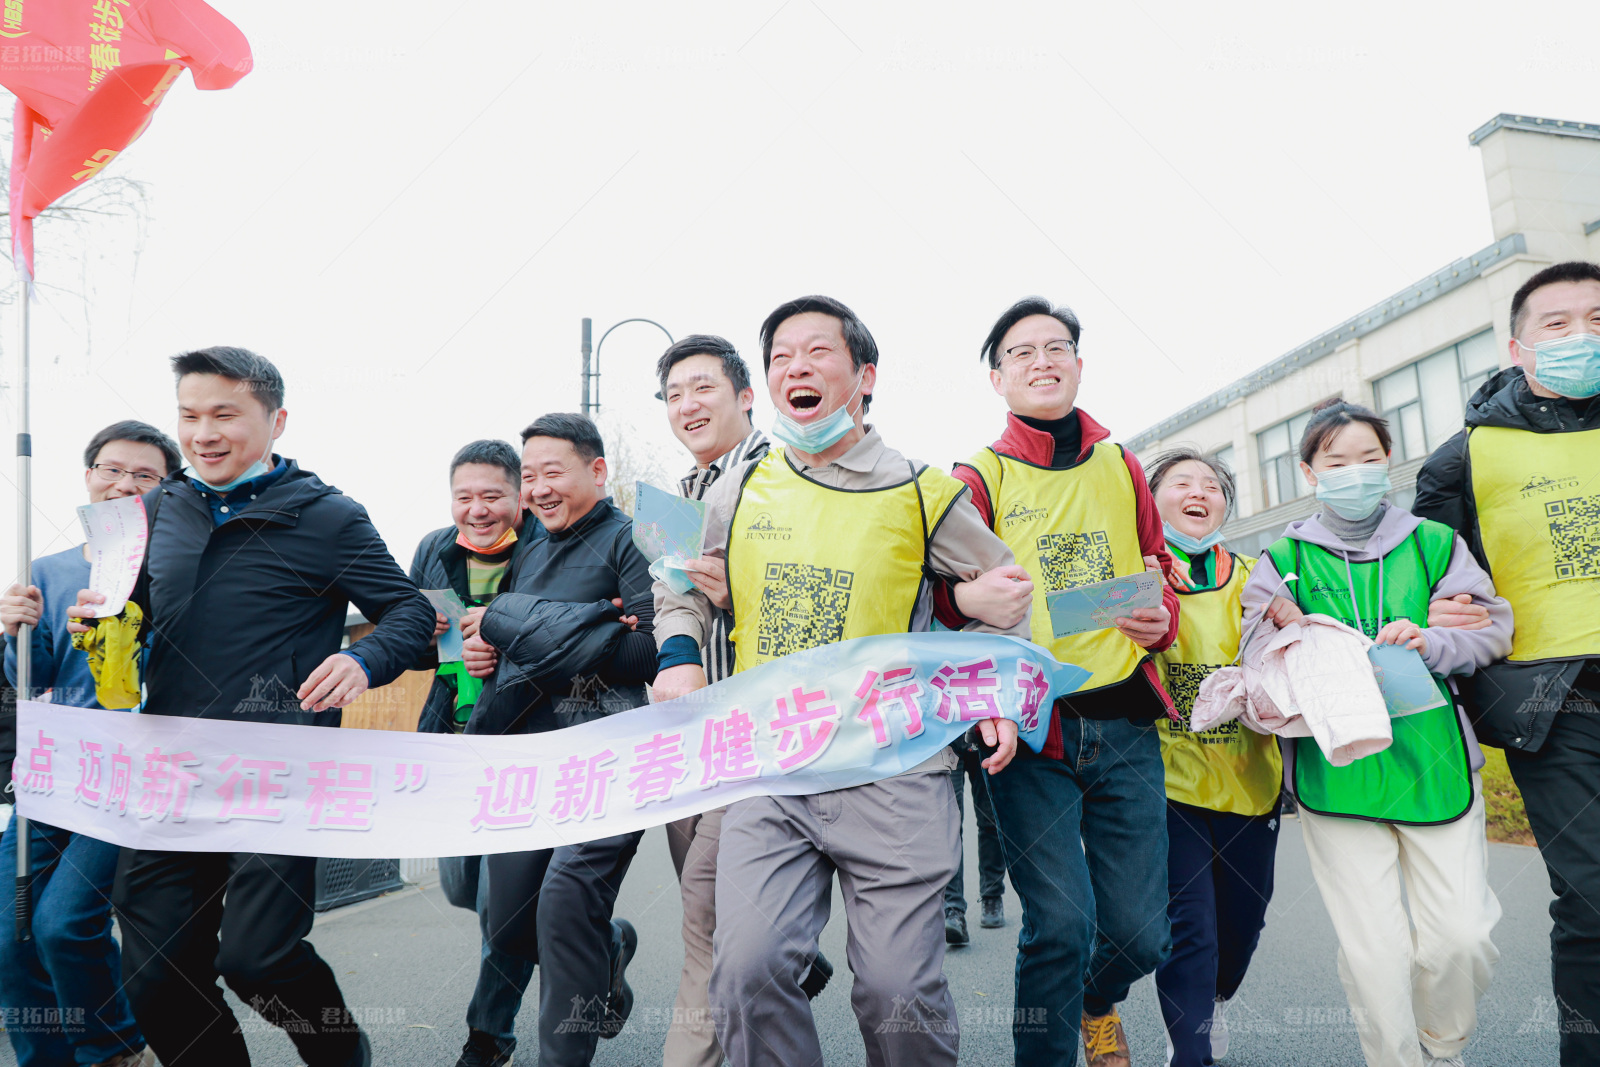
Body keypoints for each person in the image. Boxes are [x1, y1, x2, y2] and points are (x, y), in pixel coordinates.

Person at [651, 295, 1034, 1067]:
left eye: (817, 352)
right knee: (746, 970)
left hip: (892, 769)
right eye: (781, 355)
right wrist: (679, 654)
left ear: (863, 375)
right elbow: (676, 581)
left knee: (896, 992)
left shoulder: (922, 491)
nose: (797, 365)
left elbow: (1007, 585)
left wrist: (998, 691)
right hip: (772, 767)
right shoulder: (739, 485)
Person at [68, 347, 435, 1067]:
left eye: (223, 414)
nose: (203, 432)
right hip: (170, 772)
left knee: (259, 960)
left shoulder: (328, 516)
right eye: (190, 414)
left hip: (279, 770)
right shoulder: (150, 512)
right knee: (155, 974)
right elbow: (130, 614)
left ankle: (339, 1051)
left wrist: (361, 659)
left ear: (275, 420)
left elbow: (410, 615)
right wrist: (100, 622)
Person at [942, 296, 1179, 1067]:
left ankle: (1095, 1000)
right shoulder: (976, 476)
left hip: (1124, 724)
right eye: (1022, 353)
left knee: (1143, 933)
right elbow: (939, 596)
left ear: (1079, 361)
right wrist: (961, 599)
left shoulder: (1123, 463)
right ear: (996, 376)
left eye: (1057, 347)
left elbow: (1157, 570)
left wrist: (1161, 618)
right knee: (1062, 924)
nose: (1042, 361)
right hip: (1027, 731)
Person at [1242, 399, 1510, 1067]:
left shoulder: (1436, 542)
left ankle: (1442, 1046)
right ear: (1309, 471)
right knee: (1373, 951)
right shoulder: (1281, 558)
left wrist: (1433, 639)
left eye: (1369, 459)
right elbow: (1252, 656)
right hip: (1337, 767)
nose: (1356, 472)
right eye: (1338, 462)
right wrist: (1289, 635)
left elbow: (1492, 627)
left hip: (1435, 759)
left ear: (1387, 461)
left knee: (1462, 936)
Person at [1413, 259, 1600, 1066]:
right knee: (1594, 900)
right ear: (1518, 345)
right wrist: (1436, 611)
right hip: (1551, 703)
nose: (1582, 336)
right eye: (1558, 323)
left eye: (1597, 319)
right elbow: (1430, 585)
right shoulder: (1462, 460)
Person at [652, 334, 832, 1067]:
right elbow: (670, 596)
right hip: (691, 738)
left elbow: (831, 590)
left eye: (703, 388)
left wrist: (748, 595)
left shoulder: (787, 473)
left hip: (765, 738)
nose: (688, 405)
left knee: (707, 916)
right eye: (673, 395)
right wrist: (676, 645)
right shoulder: (669, 498)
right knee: (724, 920)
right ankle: (784, 960)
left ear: (745, 396)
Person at [464, 412, 655, 1067]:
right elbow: (510, 632)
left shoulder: (632, 540)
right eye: (530, 477)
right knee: (510, 926)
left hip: (601, 754)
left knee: (563, 912)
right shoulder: (529, 545)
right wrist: (489, 639)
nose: (538, 489)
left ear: (597, 471)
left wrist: (519, 625)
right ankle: (612, 948)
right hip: (522, 756)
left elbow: (643, 650)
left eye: (553, 473)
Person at [0, 420, 181, 1067]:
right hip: (54, 774)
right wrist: (15, 633)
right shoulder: (46, 569)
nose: (123, 483)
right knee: (8, 932)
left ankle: (114, 1048)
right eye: (111, 468)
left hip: (132, 774)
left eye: (144, 475)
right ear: (87, 476)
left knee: (63, 923)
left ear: (166, 490)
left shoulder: (176, 574)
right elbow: (34, 679)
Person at [1144, 448, 1281, 1067]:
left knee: (1241, 925)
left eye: (1214, 486)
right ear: (1151, 501)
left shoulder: (1262, 576)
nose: (1200, 493)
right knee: (1189, 926)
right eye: (1181, 483)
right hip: (1164, 780)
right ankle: (1189, 1045)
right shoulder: (1133, 572)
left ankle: (1215, 1000)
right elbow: (1064, 623)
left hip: (1251, 779)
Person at [409, 439, 543, 1067]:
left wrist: (506, 646)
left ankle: (488, 1037)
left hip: (523, 744)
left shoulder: (547, 547)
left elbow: (563, 637)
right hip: (453, 740)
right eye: (465, 496)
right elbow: (414, 639)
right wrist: (419, 632)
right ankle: (602, 943)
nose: (478, 509)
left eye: (492, 495)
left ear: (518, 495)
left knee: (500, 905)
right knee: (463, 887)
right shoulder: (434, 549)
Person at [941, 730, 1008, 945]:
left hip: (985, 733)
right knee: (949, 827)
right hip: (946, 737)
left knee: (991, 822)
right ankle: (953, 911)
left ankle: (992, 896)